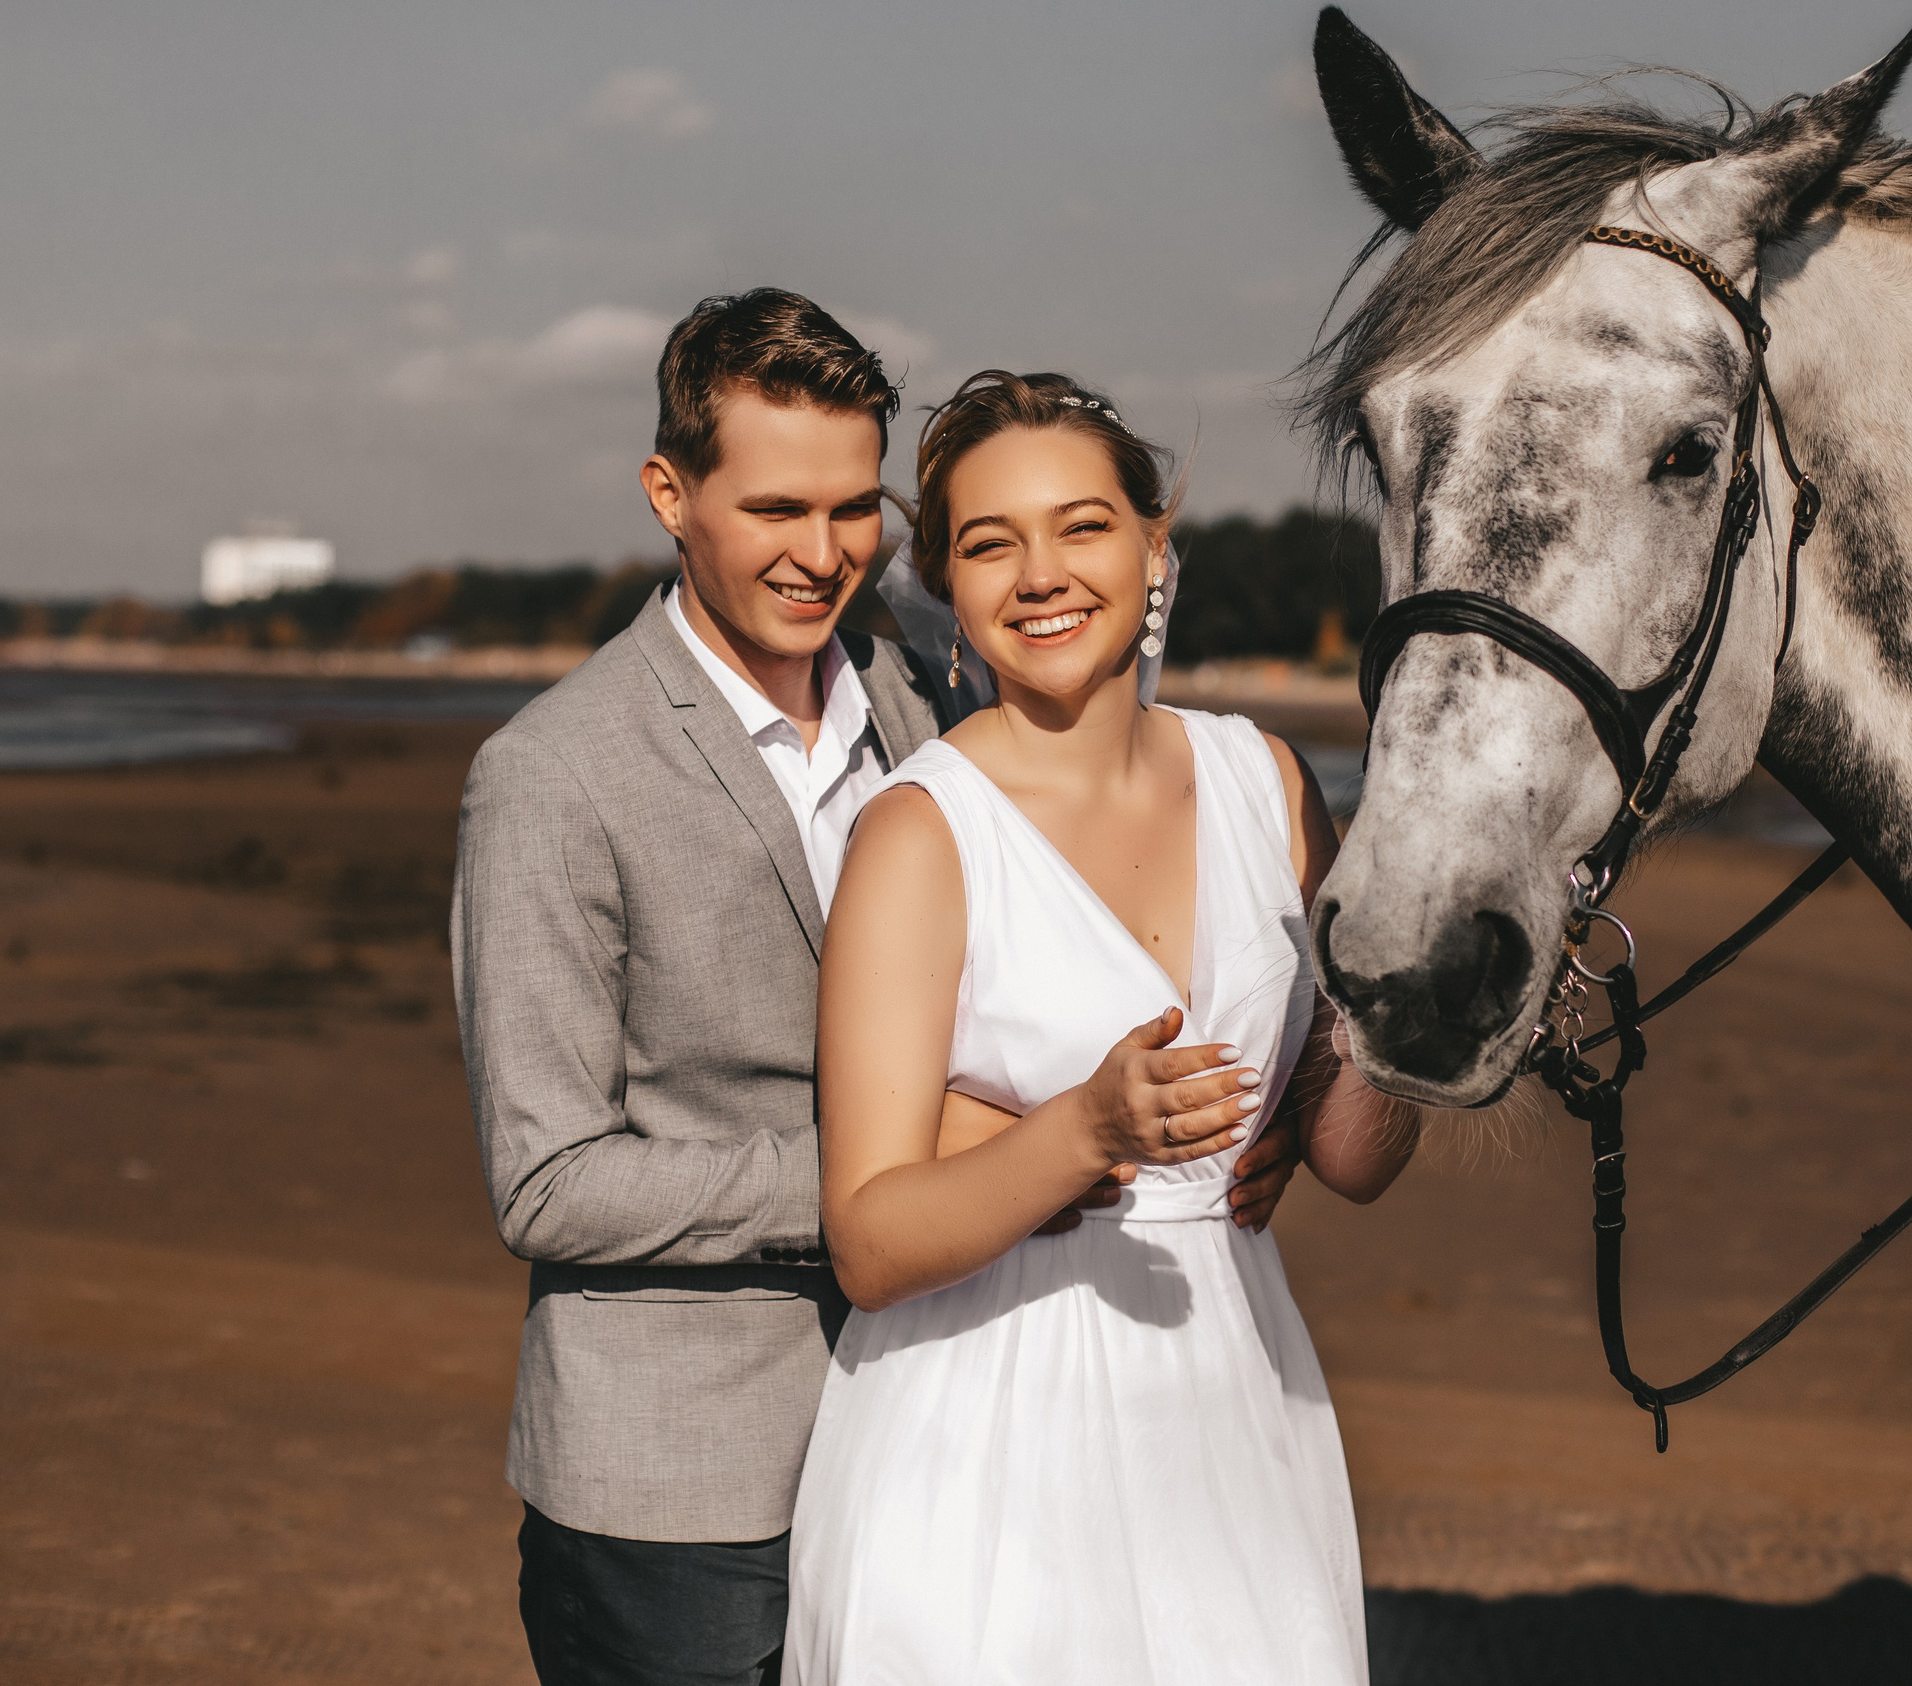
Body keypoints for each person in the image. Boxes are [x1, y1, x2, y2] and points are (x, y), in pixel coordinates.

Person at [451, 298, 1304, 1686]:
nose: (822, 552)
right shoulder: (553, 775)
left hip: (956, 1433)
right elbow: (547, 1183)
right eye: (777, 506)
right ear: (671, 493)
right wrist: (895, 1172)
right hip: (686, 1494)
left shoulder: (932, 706)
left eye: (855, 510)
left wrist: (1268, 1106)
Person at [784, 371, 1419, 1685]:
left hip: (1233, 1412)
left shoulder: (1271, 785)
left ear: (1152, 545)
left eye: (1080, 526)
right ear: (948, 590)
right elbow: (871, 1239)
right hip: (981, 1430)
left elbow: (1353, 1154)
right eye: (988, 543)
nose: (1040, 574)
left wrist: (1419, 996)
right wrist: (1085, 1129)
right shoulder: (919, 833)